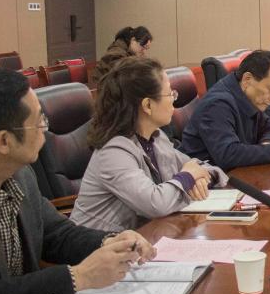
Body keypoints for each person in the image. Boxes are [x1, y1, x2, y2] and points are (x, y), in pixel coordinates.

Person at [0, 67, 155, 294]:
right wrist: (78, 277)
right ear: (4, 142)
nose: (45, 129)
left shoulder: (21, 176)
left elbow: (56, 235)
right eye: (39, 121)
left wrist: (109, 242)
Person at [71, 58, 228, 231]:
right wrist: (188, 177)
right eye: (170, 94)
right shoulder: (113, 152)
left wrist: (202, 179)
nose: (174, 100)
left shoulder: (155, 137)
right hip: (99, 244)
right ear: (147, 105)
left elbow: (199, 167)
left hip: (143, 236)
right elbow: (155, 204)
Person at [180, 51, 270, 171]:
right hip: (209, 181)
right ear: (247, 79)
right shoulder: (217, 104)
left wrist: (269, 145)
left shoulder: (247, 96)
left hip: (238, 173)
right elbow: (228, 154)